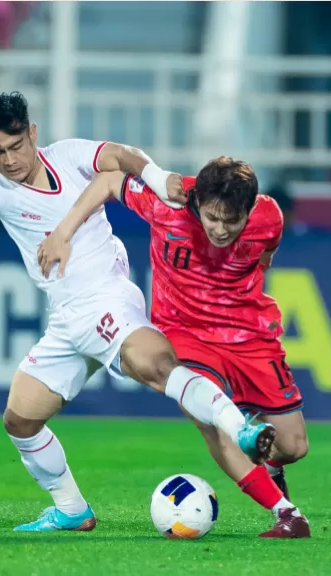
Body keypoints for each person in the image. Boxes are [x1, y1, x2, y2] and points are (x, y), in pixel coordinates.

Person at [0, 92, 276, 532]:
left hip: (107, 299)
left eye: (16, 146)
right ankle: (73, 509)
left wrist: (156, 175)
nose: (10, 160)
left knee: (157, 367)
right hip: (67, 319)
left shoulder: (69, 156)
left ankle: (239, 426)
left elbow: (122, 156)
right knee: (21, 419)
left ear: (32, 133)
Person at [38, 158, 311, 539]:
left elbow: (267, 249)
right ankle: (287, 514)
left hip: (248, 333)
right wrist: (63, 232)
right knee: (209, 418)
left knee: (293, 446)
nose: (218, 229)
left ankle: (268, 461)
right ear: (197, 200)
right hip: (184, 332)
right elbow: (109, 178)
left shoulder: (269, 218)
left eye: (230, 222)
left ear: (249, 211)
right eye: (211, 218)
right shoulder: (168, 200)